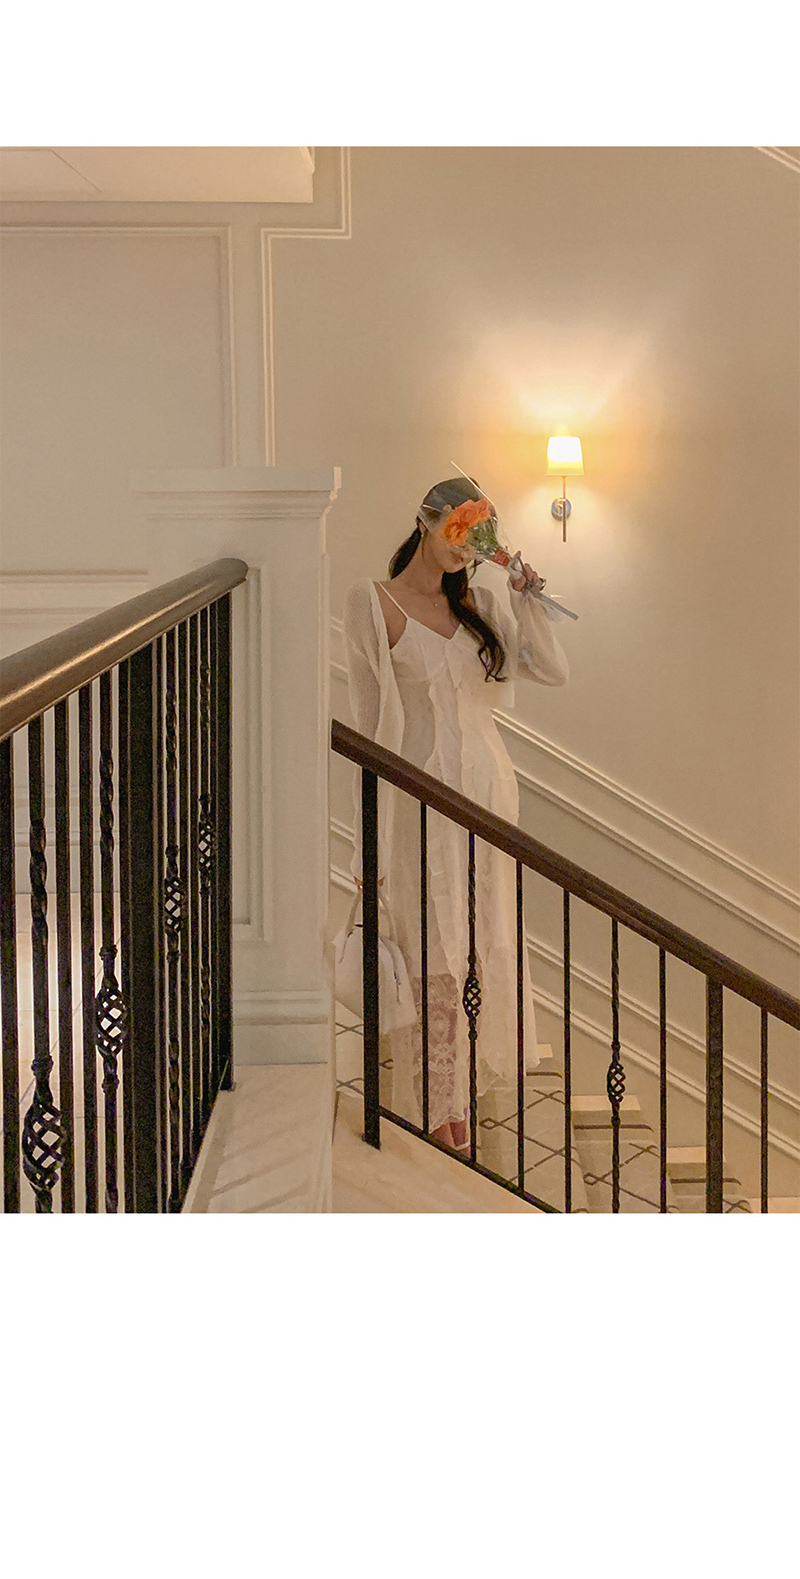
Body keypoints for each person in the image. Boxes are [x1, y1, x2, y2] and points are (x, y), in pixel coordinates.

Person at [342, 476, 569, 1155]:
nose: (462, 549)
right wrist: (367, 849)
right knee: (432, 947)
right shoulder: (373, 601)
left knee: (480, 942)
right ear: (427, 521)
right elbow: (367, 729)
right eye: (456, 531)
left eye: (476, 540)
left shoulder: (483, 606)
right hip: (420, 803)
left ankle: (460, 1109)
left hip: (489, 798)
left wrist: (526, 596)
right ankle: (437, 1117)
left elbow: (551, 670)